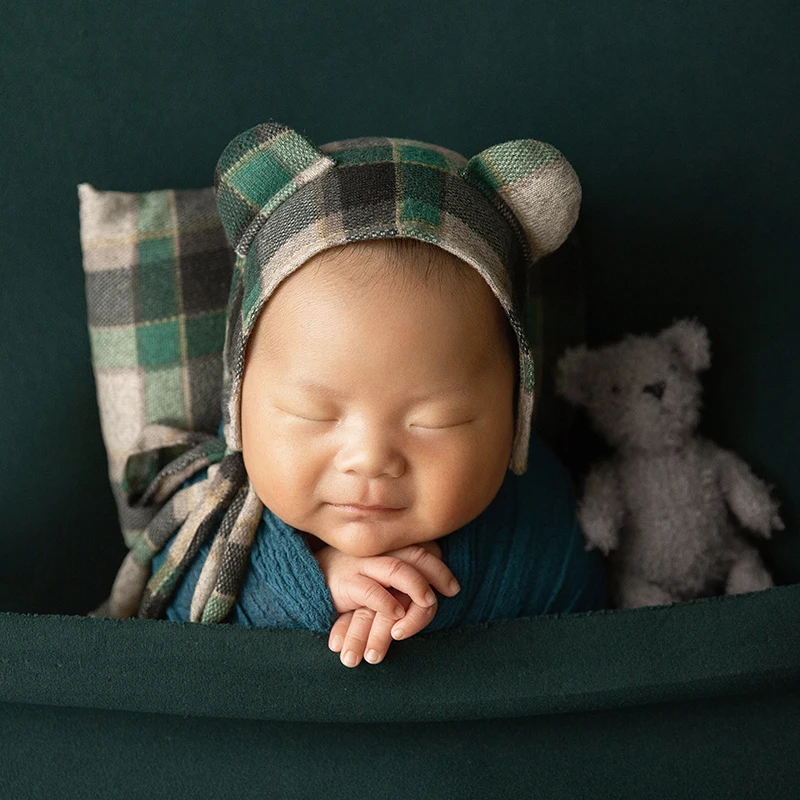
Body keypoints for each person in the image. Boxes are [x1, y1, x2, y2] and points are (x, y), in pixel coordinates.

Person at [104, 121, 609, 667]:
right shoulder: (214, 521)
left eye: (437, 421)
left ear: (514, 415)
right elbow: (165, 611)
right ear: (239, 404)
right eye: (312, 413)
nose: (369, 458)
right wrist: (310, 587)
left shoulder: (542, 518)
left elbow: (587, 650)